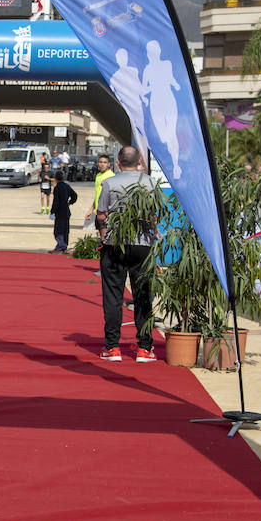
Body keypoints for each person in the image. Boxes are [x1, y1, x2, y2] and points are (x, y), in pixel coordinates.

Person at [96, 146, 157, 363]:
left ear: (118, 163)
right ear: (140, 161)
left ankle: (112, 347)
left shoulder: (110, 183)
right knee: (142, 295)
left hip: (115, 244)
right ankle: (144, 348)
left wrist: (105, 231)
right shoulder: (150, 183)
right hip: (143, 245)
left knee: (113, 296)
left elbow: (102, 214)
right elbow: (154, 215)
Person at [49, 169, 77, 253]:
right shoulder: (66, 186)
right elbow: (75, 195)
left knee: (58, 230)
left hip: (59, 212)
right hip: (66, 210)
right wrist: (70, 202)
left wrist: (52, 211)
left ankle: (60, 246)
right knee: (65, 230)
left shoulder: (57, 187)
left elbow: (56, 201)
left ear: (55, 178)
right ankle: (64, 246)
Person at [87, 153, 114, 225]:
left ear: (109, 164)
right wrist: (92, 209)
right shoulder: (98, 175)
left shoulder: (111, 176)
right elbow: (98, 195)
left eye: (105, 162)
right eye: (100, 162)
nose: (102, 164)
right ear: (97, 163)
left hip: (106, 213)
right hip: (98, 212)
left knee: (104, 235)